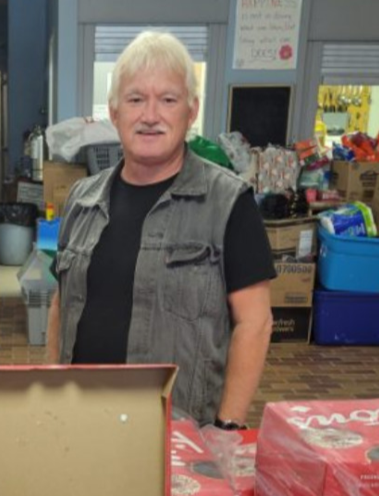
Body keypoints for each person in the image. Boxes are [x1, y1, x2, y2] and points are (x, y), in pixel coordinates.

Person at [47, 32, 275, 428]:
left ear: (191, 111)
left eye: (167, 100)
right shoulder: (81, 200)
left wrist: (228, 426)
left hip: (178, 433)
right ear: (115, 113)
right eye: (135, 99)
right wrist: (49, 390)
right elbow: (60, 302)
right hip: (79, 422)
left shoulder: (228, 203)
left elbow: (255, 322)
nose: (150, 115)